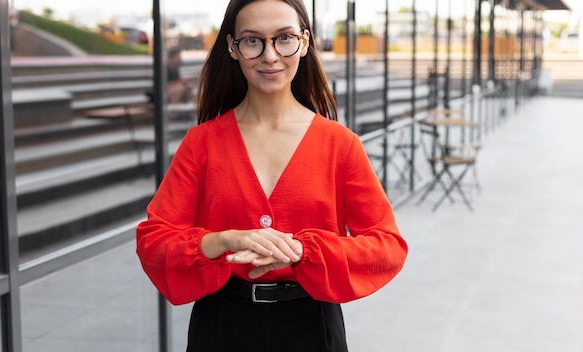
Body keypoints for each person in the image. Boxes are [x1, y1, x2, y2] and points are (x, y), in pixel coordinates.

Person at [136, 1, 408, 351]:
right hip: (222, 324)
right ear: (233, 48)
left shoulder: (340, 144)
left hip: (312, 325)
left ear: (305, 42)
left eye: (284, 38)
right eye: (252, 41)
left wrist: (302, 251)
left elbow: (387, 247)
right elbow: (154, 242)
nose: (269, 55)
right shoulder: (202, 144)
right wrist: (223, 240)